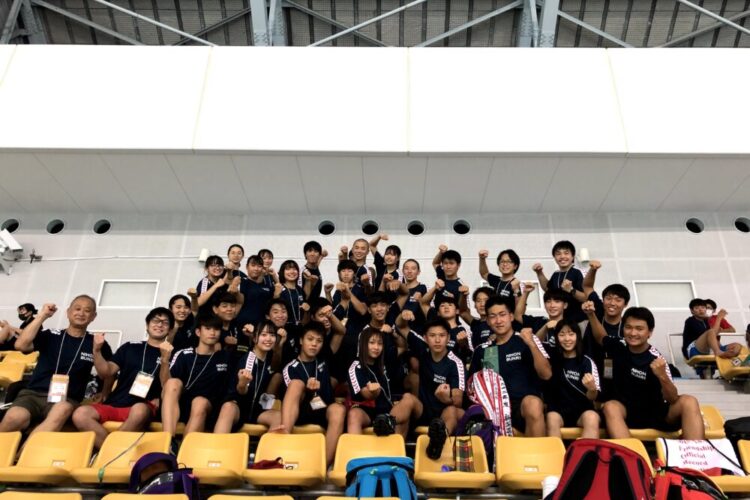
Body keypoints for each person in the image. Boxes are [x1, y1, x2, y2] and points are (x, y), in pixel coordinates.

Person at [585, 303, 705, 439]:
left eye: (639, 329)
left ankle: (695, 451)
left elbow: (672, 398)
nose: (633, 333)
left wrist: (662, 376)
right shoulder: (619, 345)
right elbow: (601, 336)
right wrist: (591, 314)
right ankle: (630, 451)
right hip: (625, 413)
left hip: (655, 414)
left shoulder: (657, 359)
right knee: (610, 406)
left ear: (650, 332)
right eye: (628, 327)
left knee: (689, 401)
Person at [0, 296, 112, 434]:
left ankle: (26, 448)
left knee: (62, 409)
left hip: (67, 399)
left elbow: (110, 372)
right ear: (68, 312)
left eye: (87, 310)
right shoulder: (51, 335)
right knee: (14, 416)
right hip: (33, 394)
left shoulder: (97, 343)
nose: (81, 313)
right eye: (77, 309)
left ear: (93, 316)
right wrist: (42, 316)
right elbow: (21, 345)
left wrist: (104, 392)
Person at [72, 307, 174, 448]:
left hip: (143, 407)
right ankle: (113, 451)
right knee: (80, 414)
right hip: (115, 403)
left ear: (170, 330)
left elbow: (169, 386)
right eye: (156, 320)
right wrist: (96, 350)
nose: (160, 324)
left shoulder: (174, 354)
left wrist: (165, 360)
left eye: (165, 322)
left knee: (139, 410)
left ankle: (107, 452)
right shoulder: (130, 347)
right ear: (147, 325)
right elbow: (106, 372)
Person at [470, 296, 551, 437]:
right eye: (493, 316)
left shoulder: (527, 340)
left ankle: (534, 451)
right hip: (493, 410)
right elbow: (472, 388)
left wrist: (531, 344)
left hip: (522, 407)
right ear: (487, 320)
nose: (498, 320)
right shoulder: (482, 350)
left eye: (502, 315)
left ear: (511, 316)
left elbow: (546, 374)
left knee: (533, 404)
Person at [280, 321, 346, 466]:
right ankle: (284, 441)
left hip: (322, 409)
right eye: (310, 339)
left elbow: (341, 331)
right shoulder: (291, 367)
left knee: (338, 409)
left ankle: (323, 465)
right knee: (296, 384)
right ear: (301, 341)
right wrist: (308, 391)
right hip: (300, 413)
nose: (314, 344)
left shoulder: (324, 361)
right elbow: (292, 398)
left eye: (319, 341)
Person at [161, 314, 230, 445]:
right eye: (208, 328)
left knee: (199, 402)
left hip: (208, 408)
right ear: (198, 332)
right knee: (173, 382)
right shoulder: (183, 354)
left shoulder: (226, 357)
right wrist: (164, 360)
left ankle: (185, 451)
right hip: (180, 406)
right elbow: (166, 386)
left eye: (216, 329)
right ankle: (168, 442)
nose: (212, 333)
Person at [402, 318, 466, 460]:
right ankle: (388, 424)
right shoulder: (422, 350)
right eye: (432, 336)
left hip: (445, 415)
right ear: (425, 338)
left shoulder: (455, 362)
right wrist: (403, 316)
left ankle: (437, 441)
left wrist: (445, 399)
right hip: (424, 411)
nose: (437, 340)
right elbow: (401, 327)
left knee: (452, 410)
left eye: (442, 335)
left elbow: (458, 402)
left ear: (448, 338)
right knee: (407, 398)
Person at [346, 327, 420, 437]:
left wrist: (393, 333)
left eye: (380, 343)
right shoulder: (356, 367)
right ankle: (357, 449)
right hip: (368, 412)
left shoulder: (385, 360)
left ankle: (388, 423)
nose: (376, 347)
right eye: (372, 343)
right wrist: (373, 391)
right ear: (363, 344)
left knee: (408, 400)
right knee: (354, 414)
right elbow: (366, 394)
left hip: (390, 412)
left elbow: (402, 346)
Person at [214, 320, 285, 433]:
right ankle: (217, 444)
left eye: (272, 335)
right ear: (255, 338)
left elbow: (276, 364)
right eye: (263, 335)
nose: (268, 338)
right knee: (228, 407)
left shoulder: (268, 359)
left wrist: (280, 345)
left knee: (279, 417)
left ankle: (266, 445)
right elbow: (241, 391)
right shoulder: (249, 360)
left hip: (256, 410)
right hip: (238, 407)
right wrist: (242, 384)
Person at [544, 320, 601, 439]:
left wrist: (592, 389)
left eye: (571, 334)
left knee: (592, 417)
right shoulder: (551, 359)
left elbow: (593, 397)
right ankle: (555, 451)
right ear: (556, 337)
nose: (567, 339)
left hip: (582, 411)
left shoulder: (587, 362)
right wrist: (545, 327)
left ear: (577, 336)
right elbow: (534, 342)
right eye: (562, 334)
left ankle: (584, 451)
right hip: (557, 411)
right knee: (551, 418)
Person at [533, 240, 586, 321]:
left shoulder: (577, 273)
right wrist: (539, 272)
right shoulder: (556, 274)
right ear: (554, 257)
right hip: (560, 320)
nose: (562, 256)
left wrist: (571, 290)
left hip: (578, 320)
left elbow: (585, 297)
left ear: (573, 256)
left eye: (566, 253)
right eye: (558, 254)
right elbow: (547, 289)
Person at [236, 255, 274, 332]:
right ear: (247, 267)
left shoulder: (267, 287)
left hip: (261, 328)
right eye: (253, 265)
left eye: (259, 266)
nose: (256, 269)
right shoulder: (241, 282)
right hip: (243, 326)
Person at [276, 260, 309, 328]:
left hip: (300, 328)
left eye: (294, 269)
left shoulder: (300, 290)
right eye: (288, 269)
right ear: (282, 272)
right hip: (283, 328)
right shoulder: (278, 288)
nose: (292, 271)